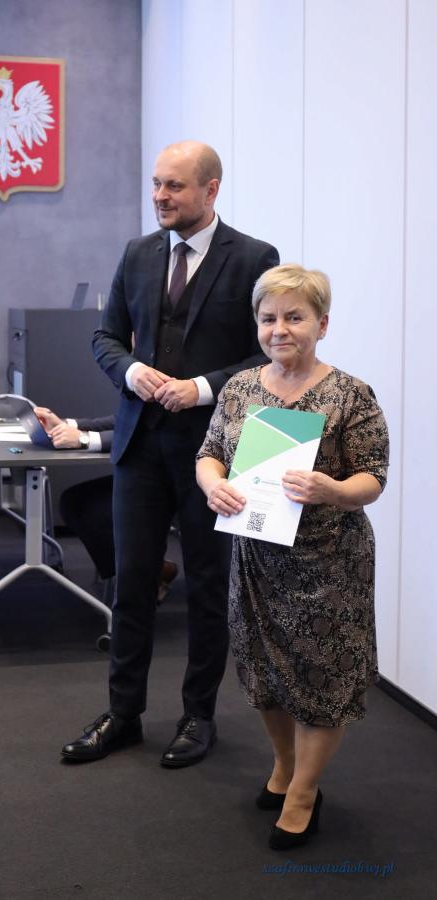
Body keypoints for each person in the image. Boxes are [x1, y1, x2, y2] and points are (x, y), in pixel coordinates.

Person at [62, 140, 279, 767]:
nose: (160, 196)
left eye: (174, 186)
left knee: (208, 587)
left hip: (216, 453)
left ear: (211, 190)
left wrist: (202, 387)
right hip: (140, 446)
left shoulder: (254, 258)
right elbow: (105, 337)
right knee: (131, 583)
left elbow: (266, 352)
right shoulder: (137, 253)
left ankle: (198, 717)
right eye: (157, 184)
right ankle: (123, 714)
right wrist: (131, 372)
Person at [195, 264, 389, 849]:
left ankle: (304, 792)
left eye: (294, 317)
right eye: (268, 318)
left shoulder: (351, 394)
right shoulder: (239, 389)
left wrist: (333, 490)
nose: (279, 329)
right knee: (263, 671)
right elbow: (209, 455)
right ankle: (284, 765)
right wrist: (213, 485)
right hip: (256, 558)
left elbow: (373, 477)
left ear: (322, 325)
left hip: (329, 564)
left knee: (321, 678)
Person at [34, 407, 178, 596]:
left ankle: (143, 577)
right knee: (75, 501)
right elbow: (126, 419)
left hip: (179, 479)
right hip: (149, 473)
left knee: (88, 508)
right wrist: (67, 424)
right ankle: (148, 573)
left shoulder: (182, 395)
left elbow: (154, 433)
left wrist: (84, 439)